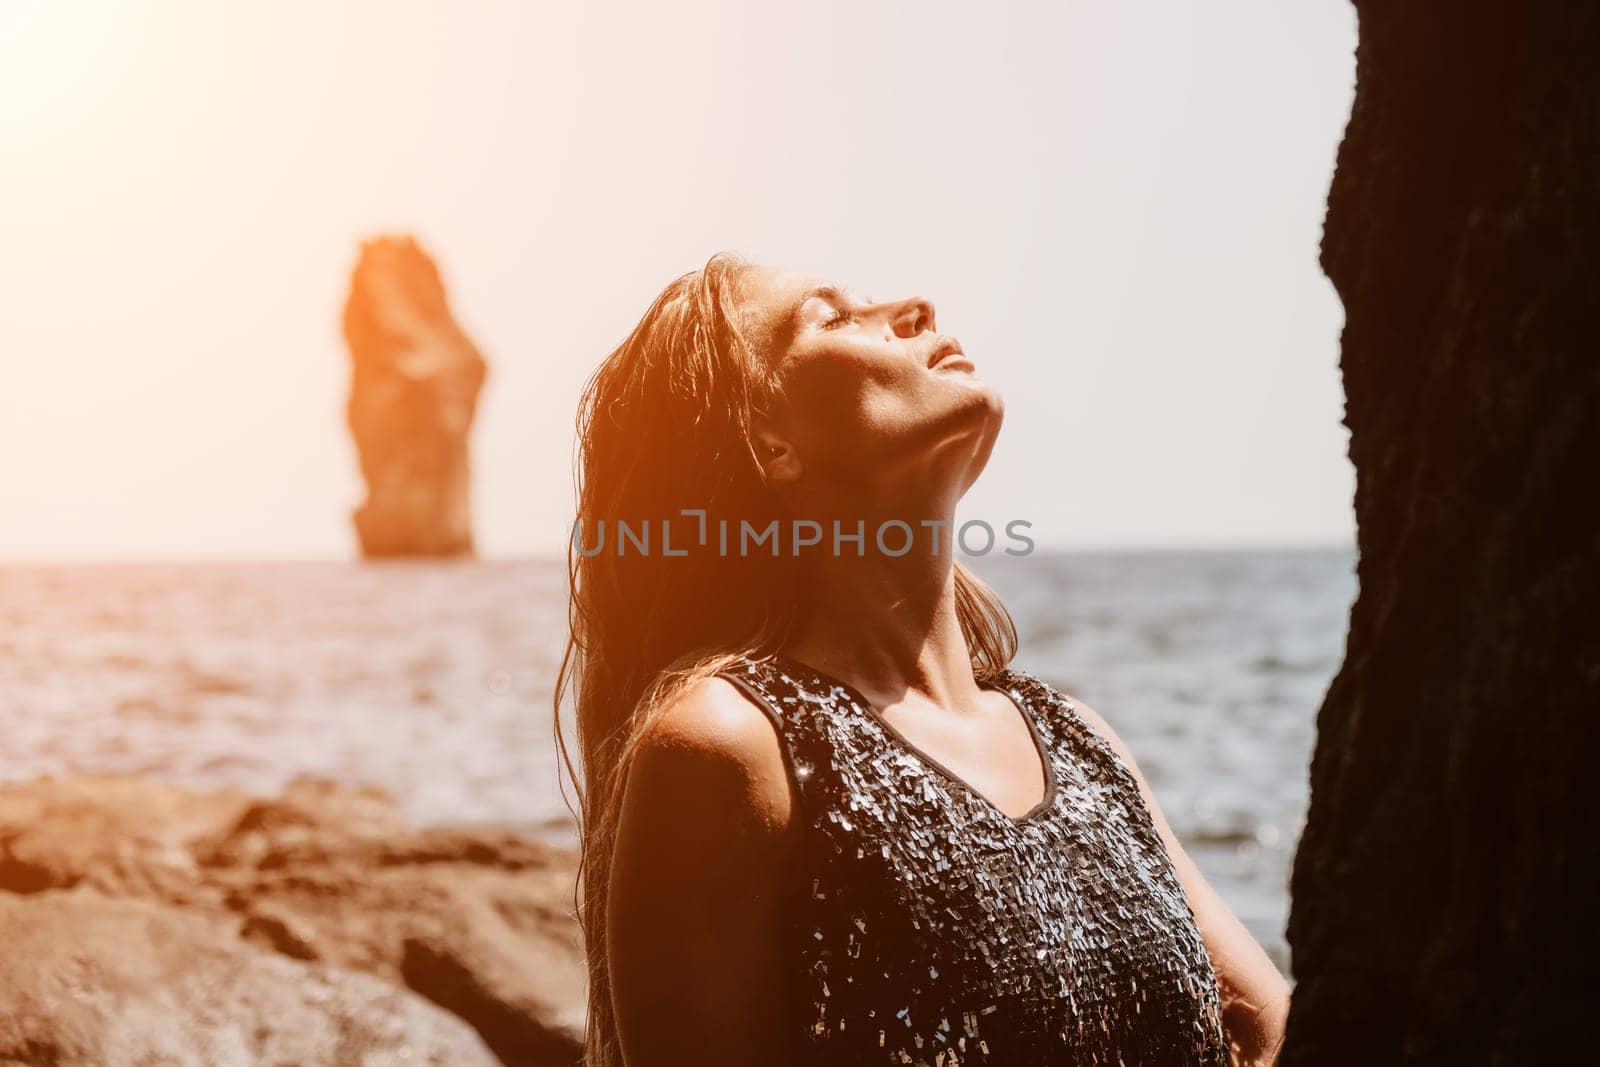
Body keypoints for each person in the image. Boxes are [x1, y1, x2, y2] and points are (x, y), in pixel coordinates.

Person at [554, 253, 1291, 1066]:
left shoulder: (1077, 737)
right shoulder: (730, 748)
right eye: (833, 318)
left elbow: (1270, 1030)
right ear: (769, 444)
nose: (914, 306)